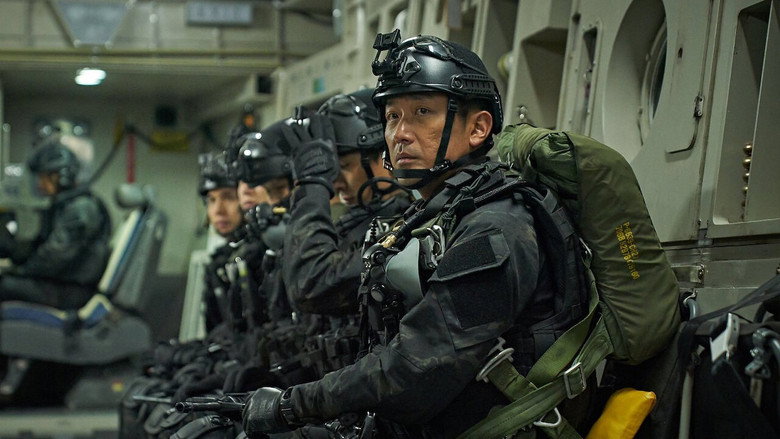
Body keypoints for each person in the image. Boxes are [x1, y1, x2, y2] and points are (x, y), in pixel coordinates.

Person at [241, 32, 589, 438]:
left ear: (478, 128)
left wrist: (292, 405)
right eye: (392, 116)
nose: (400, 134)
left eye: (422, 112)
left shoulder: (496, 227)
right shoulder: (433, 214)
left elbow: (416, 368)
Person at [283, 88, 413, 317]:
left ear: (385, 156)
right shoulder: (352, 225)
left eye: (344, 166)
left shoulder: (405, 227)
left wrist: (313, 183)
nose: (335, 182)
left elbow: (311, 285)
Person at [0, 136, 111, 310]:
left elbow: (55, 255)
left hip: (72, 292)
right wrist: (17, 257)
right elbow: (45, 245)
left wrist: (21, 272)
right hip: (64, 285)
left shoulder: (81, 209)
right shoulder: (68, 205)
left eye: (43, 177)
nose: (39, 184)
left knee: (4, 285)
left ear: (61, 176)